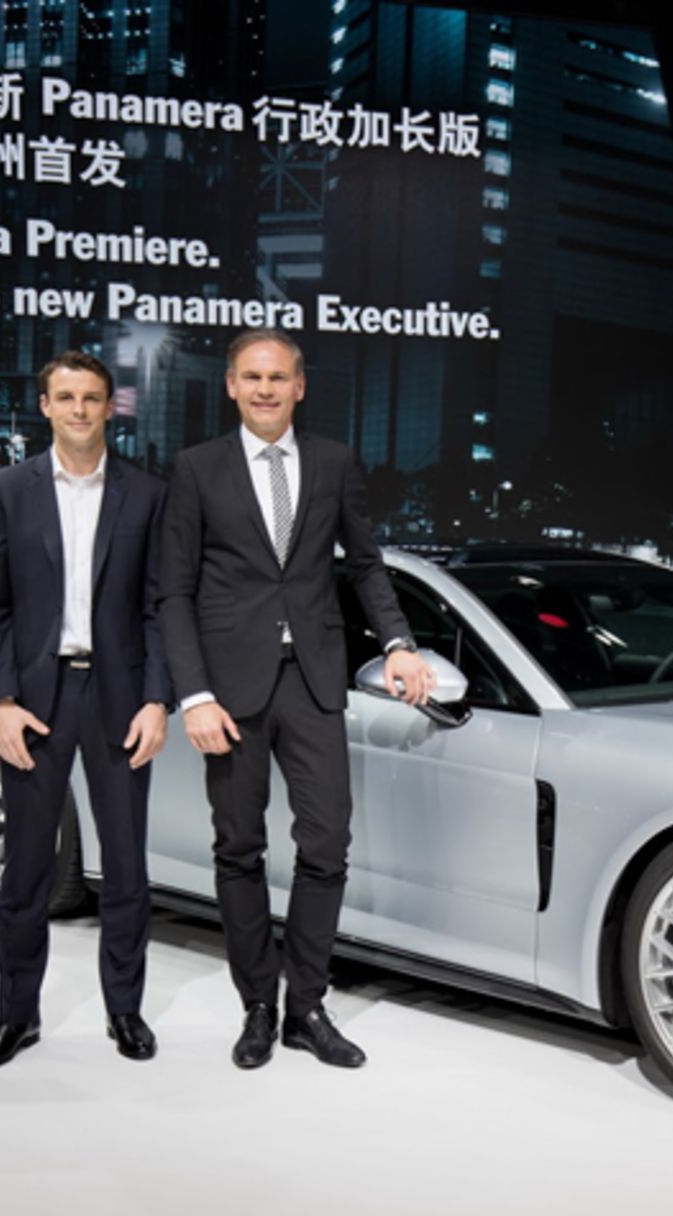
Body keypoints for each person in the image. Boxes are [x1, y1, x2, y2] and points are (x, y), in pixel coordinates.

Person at [158, 329, 432, 1069]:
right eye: (252, 377)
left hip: (313, 680)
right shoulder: (196, 469)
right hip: (229, 689)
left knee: (327, 844)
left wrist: (398, 642)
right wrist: (194, 694)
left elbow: (366, 565)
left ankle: (305, 1006)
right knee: (238, 847)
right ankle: (257, 1003)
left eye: (278, 378)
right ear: (231, 385)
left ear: (300, 387)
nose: (265, 389)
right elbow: (173, 592)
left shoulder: (335, 462)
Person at [0, 352, 171, 1070]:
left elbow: (158, 607)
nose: (79, 409)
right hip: (35, 700)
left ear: (111, 407)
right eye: (66, 396)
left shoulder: (147, 493)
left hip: (120, 699)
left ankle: (125, 1011)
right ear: (45, 406)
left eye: (91, 397)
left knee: (126, 868)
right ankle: (15, 1017)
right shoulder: (7, 490)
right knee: (25, 871)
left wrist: (157, 699)